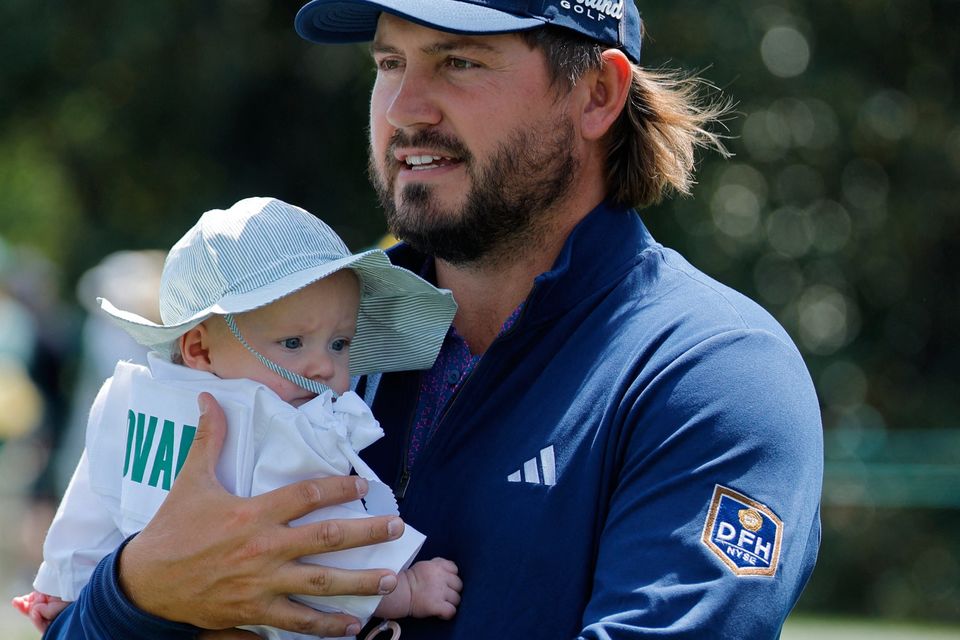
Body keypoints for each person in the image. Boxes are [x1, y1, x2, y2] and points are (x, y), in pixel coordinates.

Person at [42, 1, 824, 639]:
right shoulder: (288, 332)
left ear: (597, 95)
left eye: (459, 60)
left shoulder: (714, 374)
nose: (405, 109)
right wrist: (136, 594)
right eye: (389, 63)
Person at [19, 196, 461, 638]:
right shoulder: (278, 421)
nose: (324, 367)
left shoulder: (128, 398)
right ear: (200, 348)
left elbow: (91, 502)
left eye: (340, 344)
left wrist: (62, 584)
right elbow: (323, 539)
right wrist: (402, 587)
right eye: (292, 343)